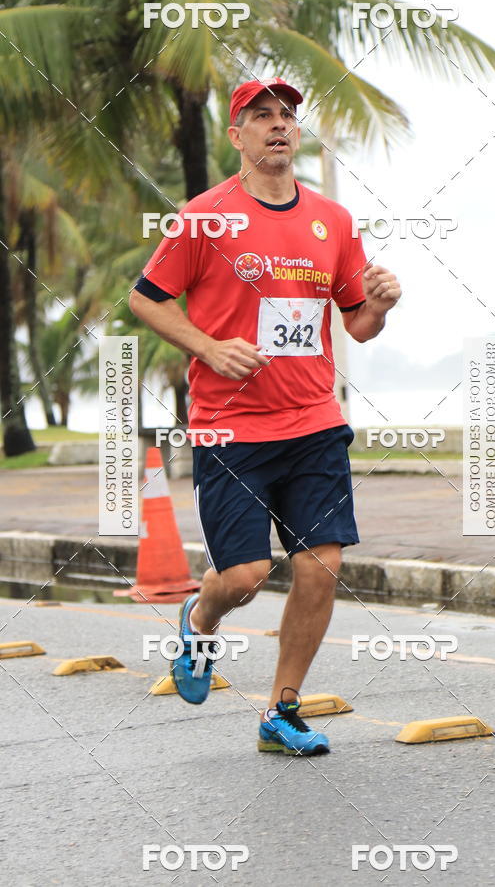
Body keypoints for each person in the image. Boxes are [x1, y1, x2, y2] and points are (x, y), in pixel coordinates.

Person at [129, 77, 401, 755]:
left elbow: (357, 325)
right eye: (261, 116)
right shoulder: (205, 217)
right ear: (236, 135)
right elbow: (146, 298)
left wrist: (379, 307)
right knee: (246, 578)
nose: (278, 124)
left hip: (314, 422)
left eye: (286, 115)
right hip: (231, 428)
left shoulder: (333, 221)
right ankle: (200, 619)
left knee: (320, 566)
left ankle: (282, 712)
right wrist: (208, 347)